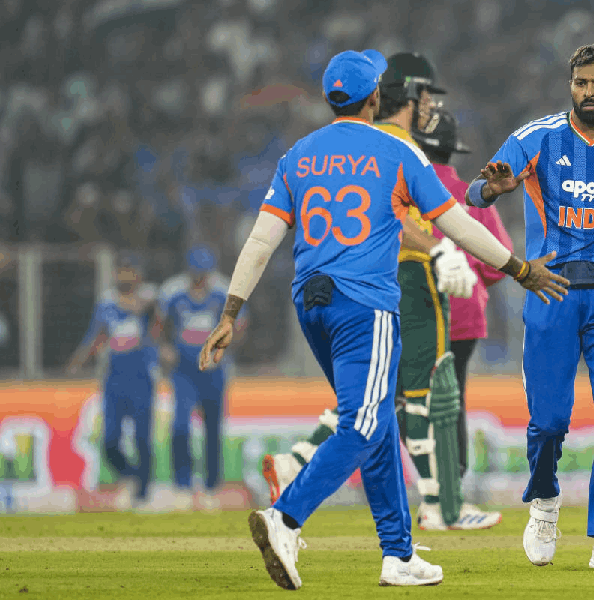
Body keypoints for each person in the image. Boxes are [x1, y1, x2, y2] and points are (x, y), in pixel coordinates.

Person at [197, 49, 568, 590]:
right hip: (365, 304)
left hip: (313, 304)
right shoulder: (396, 151)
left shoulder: (298, 155)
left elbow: (262, 240)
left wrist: (230, 311)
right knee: (366, 423)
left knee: (378, 422)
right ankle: (285, 517)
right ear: (375, 97)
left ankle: (398, 554)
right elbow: (456, 224)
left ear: (330, 99)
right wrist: (516, 268)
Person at [261, 53, 502, 532]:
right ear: (407, 95)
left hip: (343, 284)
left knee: (377, 399)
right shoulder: (397, 146)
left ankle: (393, 532)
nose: (431, 103)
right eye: (427, 94)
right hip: (397, 284)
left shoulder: (341, 146)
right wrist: (447, 252)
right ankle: (436, 505)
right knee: (413, 397)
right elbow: (408, 221)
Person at [464, 43, 594, 571]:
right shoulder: (536, 137)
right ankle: (544, 499)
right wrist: (492, 189)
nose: (588, 92)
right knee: (551, 421)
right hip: (551, 291)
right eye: (580, 83)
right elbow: (475, 193)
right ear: (570, 86)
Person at [414, 106, 514, 487]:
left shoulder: (405, 189)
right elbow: (495, 262)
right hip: (464, 315)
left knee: (407, 398)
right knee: (451, 399)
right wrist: (469, 278)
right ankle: (451, 484)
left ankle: (422, 480)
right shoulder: (470, 194)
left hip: (415, 311)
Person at [66, 254, 159, 510]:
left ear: (138, 275)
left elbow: (151, 309)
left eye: (129, 272)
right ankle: (129, 475)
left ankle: (142, 493)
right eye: (121, 272)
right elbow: (96, 335)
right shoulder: (106, 302)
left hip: (142, 376)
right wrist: (78, 360)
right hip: (115, 377)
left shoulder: (149, 296)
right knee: (110, 438)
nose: (124, 277)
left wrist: (132, 303)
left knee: (142, 438)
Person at [157, 244, 246, 511]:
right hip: (184, 369)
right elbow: (159, 324)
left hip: (214, 370)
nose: (200, 281)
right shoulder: (173, 291)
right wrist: (165, 347)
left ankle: (211, 486)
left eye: (203, 275)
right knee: (181, 426)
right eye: (196, 275)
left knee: (213, 429)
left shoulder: (223, 290)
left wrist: (225, 349)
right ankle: (182, 484)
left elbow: (240, 323)